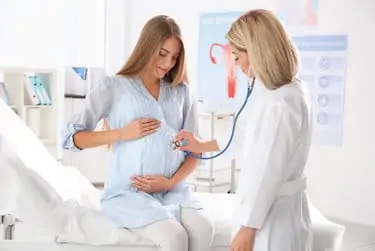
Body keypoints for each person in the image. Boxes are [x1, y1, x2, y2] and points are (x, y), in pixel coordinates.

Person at [62, 15, 214, 251]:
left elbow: (194, 152)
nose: (168, 64)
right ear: (147, 47)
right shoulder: (115, 87)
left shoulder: (182, 92)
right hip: (129, 194)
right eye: (162, 54)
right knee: (174, 237)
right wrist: (122, 133)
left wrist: (171, 182)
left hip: (174, 191)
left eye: (174, 57)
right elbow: (71, 139)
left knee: (204, 228)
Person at [175, 9, 313, 251]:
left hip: (273, 222)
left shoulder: (282, 102)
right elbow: (247, 139)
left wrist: (248, 230)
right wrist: (201, 145)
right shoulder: (270, 91)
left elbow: (269, 169)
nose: (236, 66)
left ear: (258, 52)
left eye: (238, 58)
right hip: (262, 214)